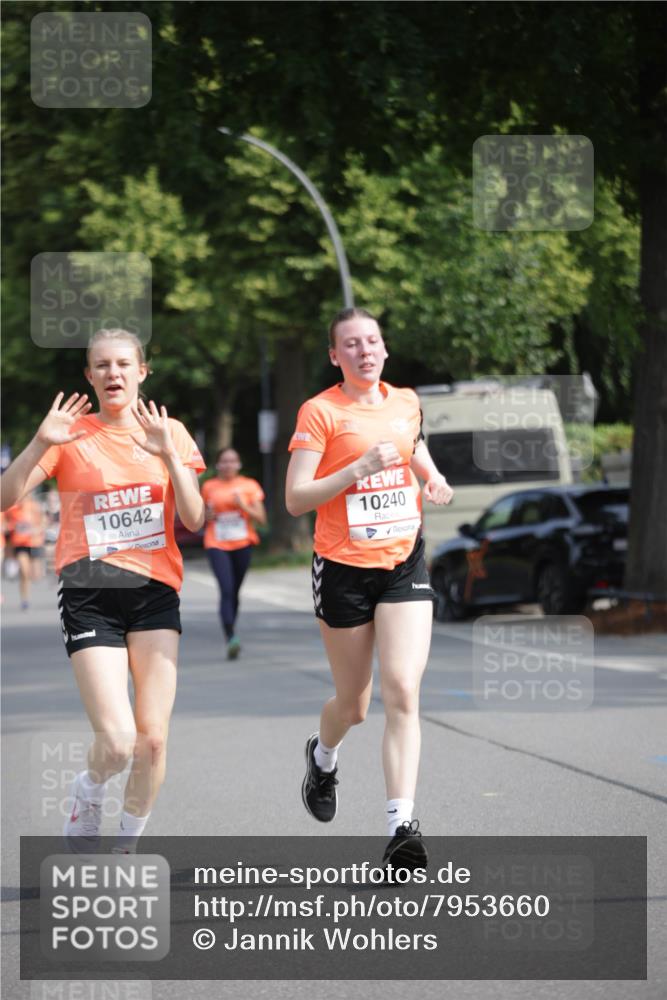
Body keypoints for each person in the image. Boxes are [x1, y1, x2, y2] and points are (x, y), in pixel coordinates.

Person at [0, 328, 205, 852]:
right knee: (116, 742)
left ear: (142, 372)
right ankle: (88, 790)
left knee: (153, 740)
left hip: (155, 590)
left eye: (122, 364)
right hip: (90, 589)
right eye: (101, 366)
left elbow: (194, 517)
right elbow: (6, 499)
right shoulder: (70, 434)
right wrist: (41, 442)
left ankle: (126, 846)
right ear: (89, 376)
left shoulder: (170, 432)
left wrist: (171, 457)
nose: (113, 373)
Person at [285, 307, 454, 873]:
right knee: (354, 705)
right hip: (341, 568)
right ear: (336, 356)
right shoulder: (320, 411)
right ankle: (322, 756)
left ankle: (400, 827)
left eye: (373, 341)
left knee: (403, 690)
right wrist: (356, 469)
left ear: (384, 348)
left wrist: (429, 474)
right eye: (351, 344)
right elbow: (295, 498)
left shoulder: (406, 400)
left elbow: (413, 443)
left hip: (404, 560)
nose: (365, 350)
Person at [201, 448, 266, 659]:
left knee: (235, 590)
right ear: (218, 465)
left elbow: (262, 519)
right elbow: (198, 515)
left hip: (242, 542)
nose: (228, 465)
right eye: (224, 461)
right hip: (217, 543)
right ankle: (230, 636)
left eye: (233, 461)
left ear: (239, 464)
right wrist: (206, 515)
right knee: (226, 589)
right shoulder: (209, 487)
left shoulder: (249, 486)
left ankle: (231, 630)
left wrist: (243, 505)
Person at [4, 491, 46, 609]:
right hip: (19, 543)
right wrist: (11, 526)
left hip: (34, 543)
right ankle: (25, 599)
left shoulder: (34, 506)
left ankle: (28, 593)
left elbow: (43, 522)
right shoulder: (12, 509)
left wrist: (36, 530)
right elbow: (5, 524)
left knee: (35, 575)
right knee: (24, 572)